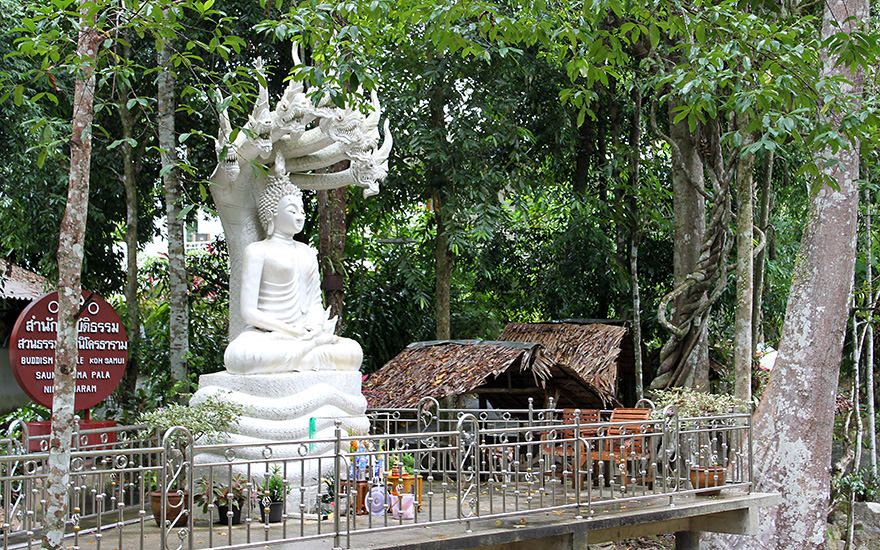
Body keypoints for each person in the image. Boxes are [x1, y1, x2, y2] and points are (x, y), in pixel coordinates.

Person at [224, 175, 362, 374]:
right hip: (267, 336)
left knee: (353, 352)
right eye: (292, 210)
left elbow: (315, 301)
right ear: (272, 214)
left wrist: (314, 326)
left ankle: (302, 354)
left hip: (304, 334)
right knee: (240, 356)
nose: (300, 216)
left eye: (302, 211)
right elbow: (249, 312)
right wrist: (290, 331)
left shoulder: (306, 251)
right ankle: (309, 353)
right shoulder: (257, 251)